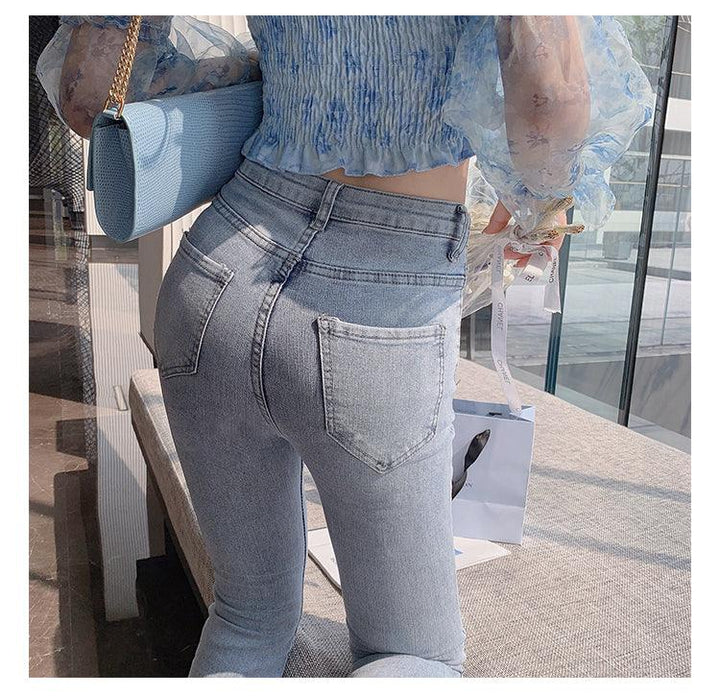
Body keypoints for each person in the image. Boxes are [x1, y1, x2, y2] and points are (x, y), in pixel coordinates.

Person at [37, 15, 654, 678]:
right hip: (381, 302)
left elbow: (86, 97)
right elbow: (549, 108)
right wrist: (544, 203)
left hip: (218, 269)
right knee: (411, 651)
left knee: (246, 616)